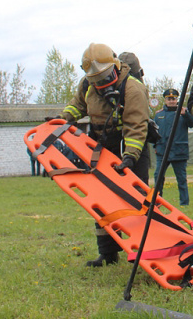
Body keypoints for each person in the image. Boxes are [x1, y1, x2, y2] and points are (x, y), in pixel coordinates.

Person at [59, 42, 151, 267]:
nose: (101, 84)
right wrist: (61, 121)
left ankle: (139, 250)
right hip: (101, 143)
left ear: (115, 66)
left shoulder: (132, 88)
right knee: (100, 199)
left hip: (129, 144)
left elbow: (136, 125)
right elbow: (76, 106)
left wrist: (130, 156)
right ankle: (107, 253)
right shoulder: (87, 85)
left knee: (135, 197)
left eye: (104, 77)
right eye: (96, 80)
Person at [153, 88, 193, 206]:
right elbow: (154, 132)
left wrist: (186, 114)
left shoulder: (183, 113)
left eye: (173, 99)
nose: (171, 101)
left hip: (179, 152)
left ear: (177, 99)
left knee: (181, 179)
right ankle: (157, 201)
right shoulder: (159, 115)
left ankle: (184, 203)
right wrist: (155, 146)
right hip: (162, 151)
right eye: (169, 99)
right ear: (165, 100)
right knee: (158, 177)